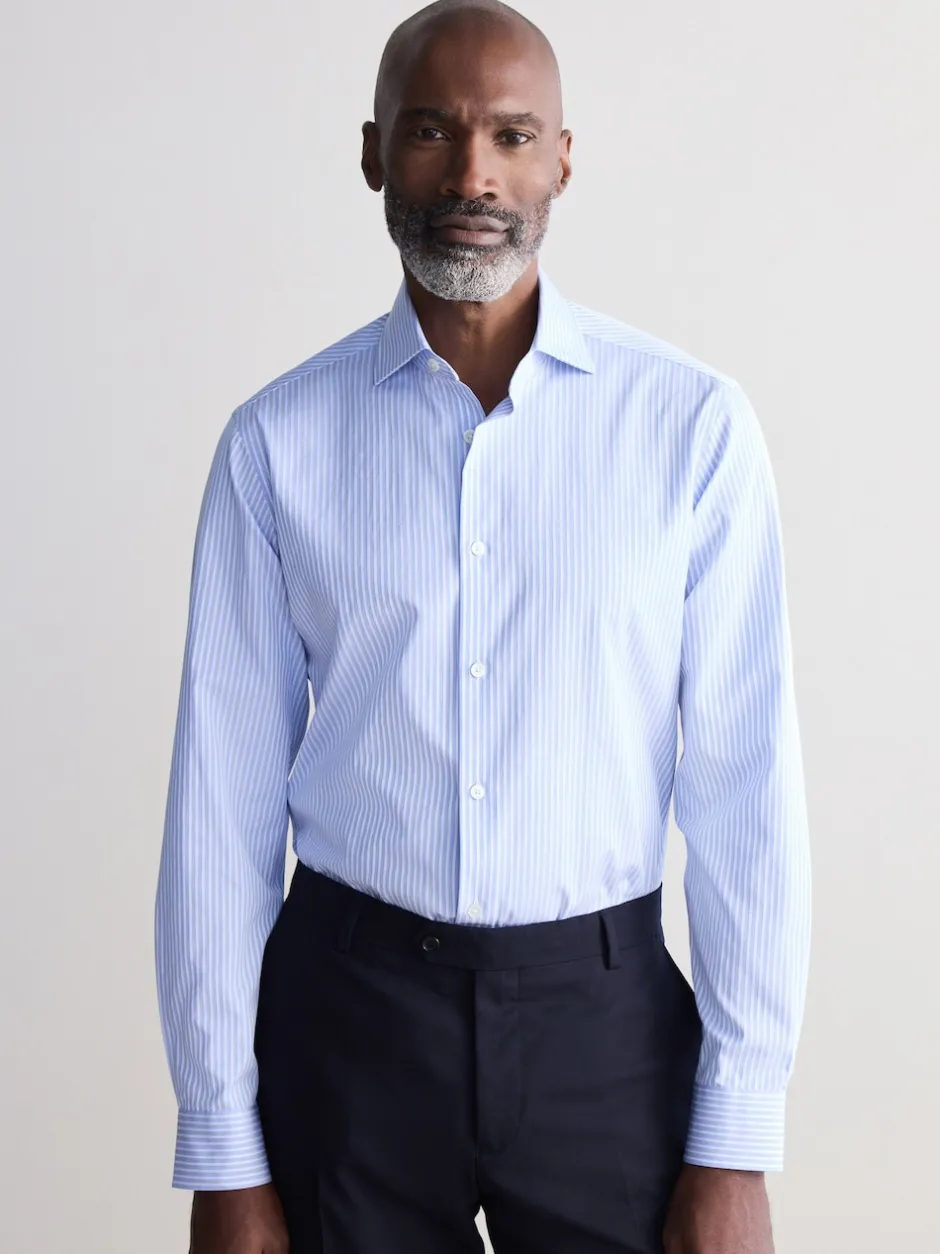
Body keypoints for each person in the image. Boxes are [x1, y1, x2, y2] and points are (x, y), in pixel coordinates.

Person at [154, 2, 812, 1251]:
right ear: (372, 154)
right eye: (430, 132)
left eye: (511, 136)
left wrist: (737, 1140)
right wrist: (222, 1144)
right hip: (346, 1025)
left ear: (562, 159)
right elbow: (218, 809)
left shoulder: (690, 430)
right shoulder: (275, 445)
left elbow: (745, 790)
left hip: (604, 1033)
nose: (472, 176)